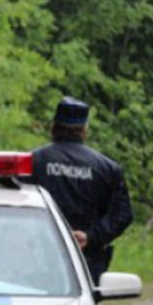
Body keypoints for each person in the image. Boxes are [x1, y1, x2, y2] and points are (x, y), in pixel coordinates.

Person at [30, 97, 133, 284]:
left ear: (53, 126)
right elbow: (122, 215)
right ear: (84, 129)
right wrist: (90, 236)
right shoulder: (107, 168)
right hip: (85, 263)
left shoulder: (33, 162)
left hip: (34, 259)